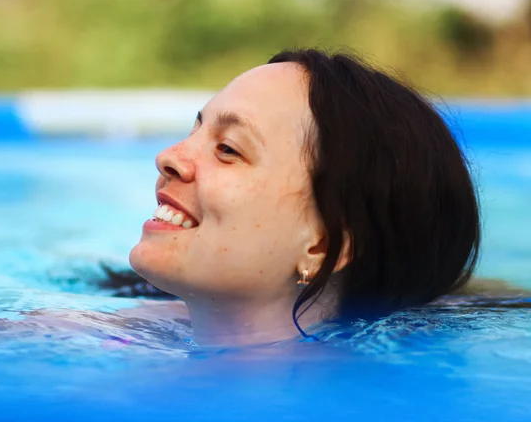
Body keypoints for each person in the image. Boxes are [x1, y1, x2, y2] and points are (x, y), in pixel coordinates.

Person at [126, 48, 481, 348]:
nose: (169, 157)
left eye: (228, 149)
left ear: (321, 246)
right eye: (196, 131)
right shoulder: (130, 331)